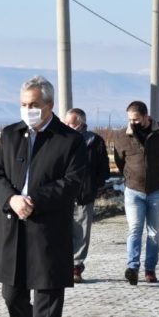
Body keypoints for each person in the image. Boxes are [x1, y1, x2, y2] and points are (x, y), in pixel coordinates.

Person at [0, 76, 87, 317]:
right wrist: (11, 199)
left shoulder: (70, 140)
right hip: (12, 227)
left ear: (49, 105)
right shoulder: (10, 134)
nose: (28, 109)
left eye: (34, 105)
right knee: (11, 295)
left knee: (47, 300)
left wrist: (34, 201)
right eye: (23, 104)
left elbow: (72, 183)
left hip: (48, 230)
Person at [113, 100, 159, 285]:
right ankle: (132, 267)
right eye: (130, 120)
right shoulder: (122, 136)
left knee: (153, 232)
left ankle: (150, 269)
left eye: (136, 119)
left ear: (146, 116)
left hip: (157, 190)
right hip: (133, 190)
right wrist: (130, 176)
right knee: (135, 229)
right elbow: (120, 161)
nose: (132, 123)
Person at [64, 108, 110, 284]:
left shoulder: (95, 141)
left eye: (70, 123)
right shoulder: (61, 139)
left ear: (81, 123)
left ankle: (76, 266)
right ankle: (62, 264)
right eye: (66, 123)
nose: (67, 126)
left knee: (81, 232)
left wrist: (93, 186)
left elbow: (103, 168)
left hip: (84, 194)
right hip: (62, 194)